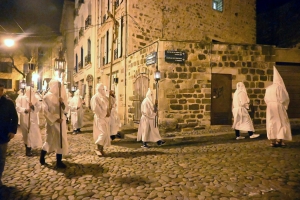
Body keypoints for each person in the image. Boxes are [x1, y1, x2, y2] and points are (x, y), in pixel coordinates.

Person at [40, 79, 69, 168]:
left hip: (61, 121)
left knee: (61, 140)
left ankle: (59, 161)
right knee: (49, 140)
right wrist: (55, 119)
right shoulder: (47, 97)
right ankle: (42, 156)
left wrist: (62, 103)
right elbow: (45, 111)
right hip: (52, 123)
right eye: (57, 86)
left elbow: (65, 109)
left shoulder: (61, 96)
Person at [264, 66, 292, 147]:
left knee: (271, 122)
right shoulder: (280, 88)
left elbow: (265, 98)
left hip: (270, 107)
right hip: (278, 106)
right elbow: (285, 98)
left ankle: (273, 141)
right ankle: (280, 140)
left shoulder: (268, 88)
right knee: (281, 122)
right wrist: (285, 106)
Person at [16, 86, 42, 156]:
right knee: (25, 134)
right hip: (24, 119)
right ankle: (27, 146)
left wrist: (33, 106)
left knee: (31, 133)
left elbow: (39, 107)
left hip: (33, 119)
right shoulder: (20, 98)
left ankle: (29, 149)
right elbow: (17, 107)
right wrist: (25, 110)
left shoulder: (35, 99)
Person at [0, 83, 18, 186]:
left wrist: (12, 130)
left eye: (2, 90)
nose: (0, 92)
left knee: (1, 158)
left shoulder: (8, 103)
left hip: (3, 134)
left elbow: (14, 118)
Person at [90, 83, 111, 156]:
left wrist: (108, 111)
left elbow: (108, 106)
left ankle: (101, 149)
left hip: (105, 118)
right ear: (98, 89)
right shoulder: (95, 97)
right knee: (102, 133)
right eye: (101, 89)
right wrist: (104, 113)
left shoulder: (104, 97)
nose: (103, 91)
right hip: (99, 117)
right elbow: (95, 108)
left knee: (105, 133)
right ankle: (97, 148)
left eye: (103, 89)